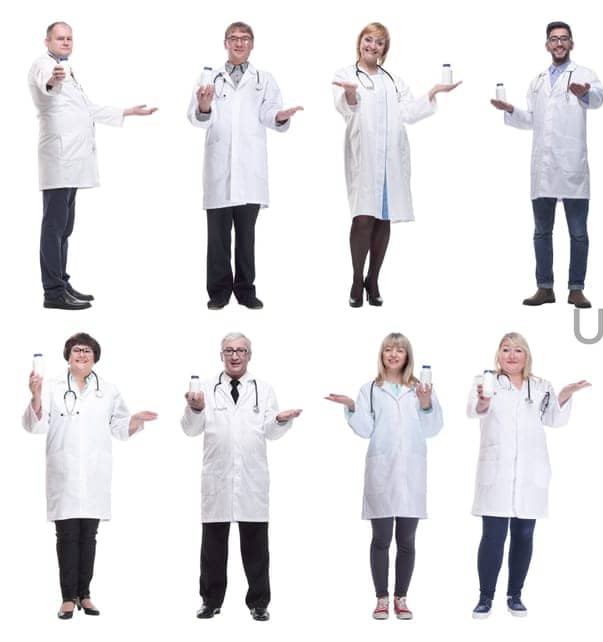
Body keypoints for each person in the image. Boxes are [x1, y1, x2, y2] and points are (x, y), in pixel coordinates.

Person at [23, 333, 156, 619]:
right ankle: (68, 597)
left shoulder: (107, 390)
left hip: (94, 474)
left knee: (89, 537)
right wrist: (35, 395)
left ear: (95, 356)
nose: (81, 354)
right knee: (67, 536)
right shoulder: (52, 387)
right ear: (67, 356)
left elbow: (119, 427)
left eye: (87, 351)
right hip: (64, 474)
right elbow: (36, 426)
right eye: (75, 350)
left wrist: (134, 420)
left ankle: (85, 593)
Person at [332, 22, 460, 308]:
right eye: (368, 40)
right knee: (362, 217)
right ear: (360, 42)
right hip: (364, 157)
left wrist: (433, 92)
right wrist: (351, 93)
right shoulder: (345, 75)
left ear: (384, 50)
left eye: (379, 43)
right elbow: (345, 108)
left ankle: (373, 279)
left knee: (383, 219)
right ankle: (356, 279)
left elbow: (409, 112)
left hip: (391, 159)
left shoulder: (393, 80)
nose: (372, 46)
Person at [30, 22, 157, 310]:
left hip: (72, 161)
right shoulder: (45, 65)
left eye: (69, 38)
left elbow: (88, 108)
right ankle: (52, 292)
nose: (65, 42)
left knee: (64, 227)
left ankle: (61, 282)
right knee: (53, 226)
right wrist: (54, 79)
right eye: (60, 38)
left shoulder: (67, 69)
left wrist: (129, 112)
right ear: (46, 41)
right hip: (59, 159)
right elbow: (46, 82)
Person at [465, 333, 588, 619]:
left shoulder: (541, 385)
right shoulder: (485, 382)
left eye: (518, 350)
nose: (511, 355)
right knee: (493, 536)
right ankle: (485, 597)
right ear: (498, 354)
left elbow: (554, 420)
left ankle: (515, 595)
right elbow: (475, 411)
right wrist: (484, 401)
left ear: (526, 355)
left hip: (531, 471)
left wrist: (566, 393)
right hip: (497, 471)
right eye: (506, 349)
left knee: (524, 534)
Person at [181, 332, 303, 621]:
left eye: (241, 350)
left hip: (251, 480)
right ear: (221, 355)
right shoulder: (205, 390)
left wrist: (281, 420)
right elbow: (190, 429)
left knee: (256, 547)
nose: (235, 355)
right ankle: (210, 601)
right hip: (218, 479)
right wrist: (194, 409)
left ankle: (259, 603)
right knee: (212, 548)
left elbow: (270, 432)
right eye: (229, 350)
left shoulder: (264, 389)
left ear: (250, 355)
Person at [324, 333, 443, 620]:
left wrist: (426, 403)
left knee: (407, 540)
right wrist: (352, 406)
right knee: (380, 539)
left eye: (399, 350)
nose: (393, 354)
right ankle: (381, 598)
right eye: (388, 349)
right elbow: (365, 429)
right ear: (382, 354)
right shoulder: (371, 390)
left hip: (411, 472)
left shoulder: (421, 388)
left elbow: (433, 428)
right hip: (381, 470)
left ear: (407, 356)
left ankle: (401, 598)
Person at [490, 21, 603, 309]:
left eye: (564, 39)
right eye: (554, 39)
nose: (559, 44)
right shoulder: (538, 81)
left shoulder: (584, 74)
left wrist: (583, 93)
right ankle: (545, 288)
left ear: (572, 44)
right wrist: (511, 110)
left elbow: (598, 98)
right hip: (543, 168)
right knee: (542, 231)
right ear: (547, 45)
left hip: (572, 166)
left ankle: (576, 288)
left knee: (578, 232)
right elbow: (533, 120)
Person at [189, 22, 303, 310]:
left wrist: (280, 114)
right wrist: (203, 106)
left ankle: (245, 290)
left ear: (252, 44)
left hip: (250, 170)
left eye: (245, 39)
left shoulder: (263, 79)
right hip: (219, 170)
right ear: (225, 43)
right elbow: (197, 117)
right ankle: (218, 292)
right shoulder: (209, 78)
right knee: (217, 238)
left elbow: (268, 115)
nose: (239, 43)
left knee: (246, 237)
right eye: (233, 39)